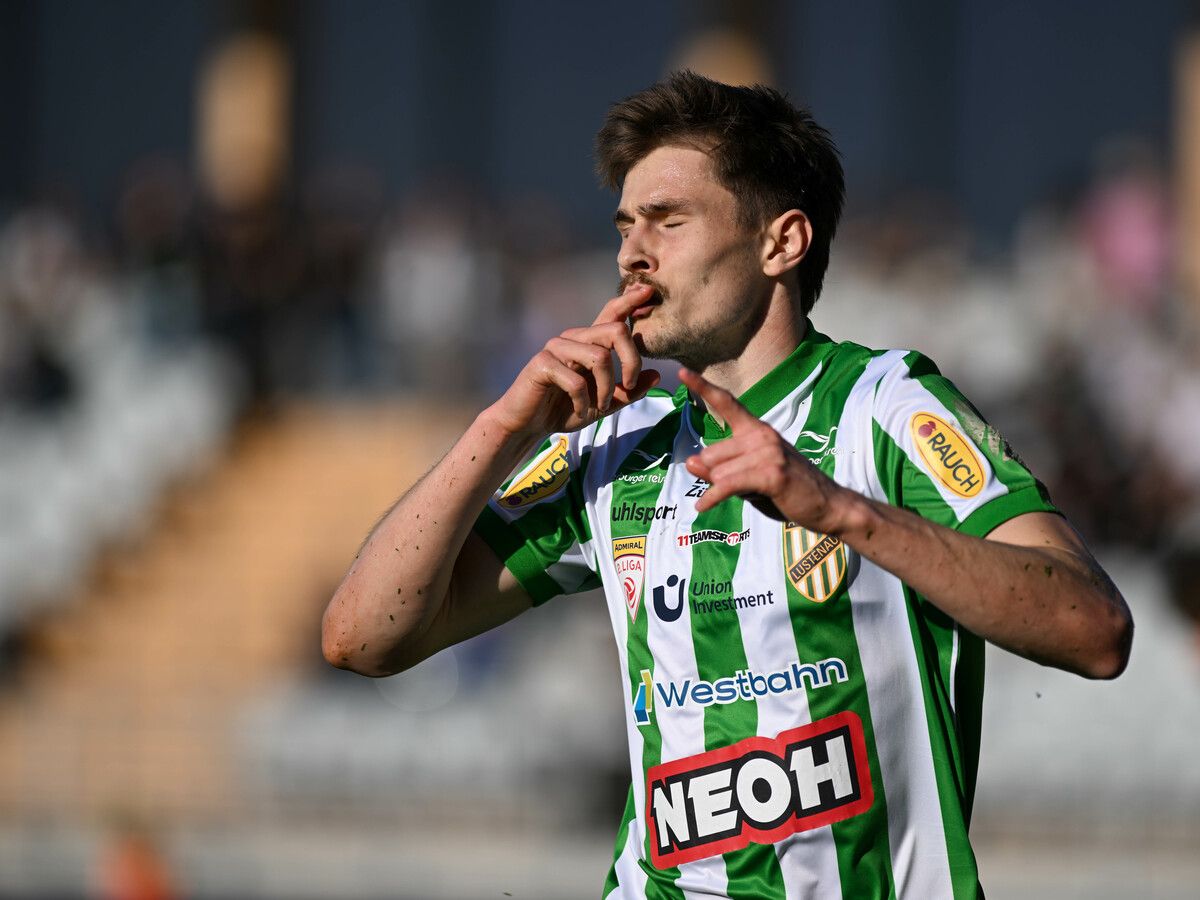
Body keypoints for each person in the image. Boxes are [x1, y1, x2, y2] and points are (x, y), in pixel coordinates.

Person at [321, 71, 1133, 899]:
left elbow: (1094, 630)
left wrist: (839, 511)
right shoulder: (618, 443)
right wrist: (502, 428)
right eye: (625, 225)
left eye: (668, 220)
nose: (631, 254)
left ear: (782, 243)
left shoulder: (885, 405)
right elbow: (363, 637)